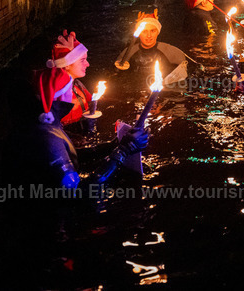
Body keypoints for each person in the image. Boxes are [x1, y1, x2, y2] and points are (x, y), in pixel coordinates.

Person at [8, 32, 149, 190]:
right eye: (69, 88)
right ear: (61, 94)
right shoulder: (47, 137)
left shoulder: (47, 125)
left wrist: (117, 145)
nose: (71, 92)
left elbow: (74, 156)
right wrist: (123, 151)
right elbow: (79, 193)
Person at [113, 9, 188, 86]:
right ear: (139, 33)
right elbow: (115, 76)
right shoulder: (128, 53)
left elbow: (185, 73)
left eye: (152, 31)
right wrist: (119, 69)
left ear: (158, 32)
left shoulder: (170, 51)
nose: (149, 36)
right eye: (144, 31)